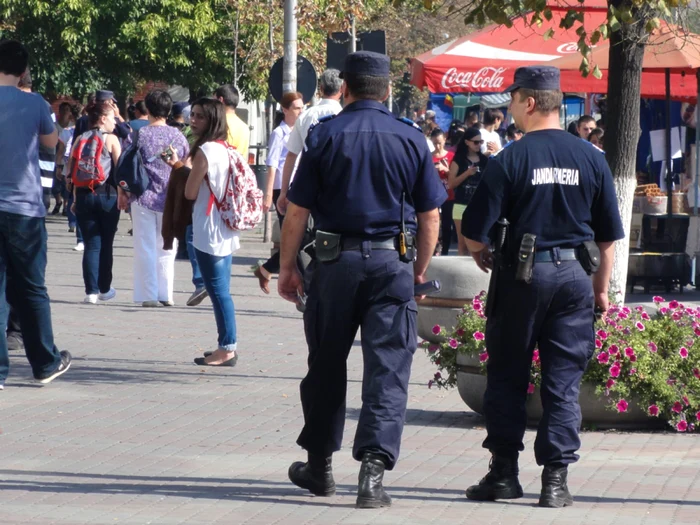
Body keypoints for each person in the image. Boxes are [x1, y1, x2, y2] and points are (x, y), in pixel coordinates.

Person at [278, 51, 445, 509]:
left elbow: (297, 209)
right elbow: (431, 215)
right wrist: (419, 271)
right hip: (393, 266)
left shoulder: (324, 135)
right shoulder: (411, 139)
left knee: (326, 364)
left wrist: (288, 265)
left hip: (334, 266)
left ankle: (320, 467)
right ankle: (372, 475)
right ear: (387, 91)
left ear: (344, 89)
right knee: (388, 370)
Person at [461, 66, 624, 508]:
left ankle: (503, 475)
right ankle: (555, 482)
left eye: (512, 99)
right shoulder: (591, 157)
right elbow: (608, 236)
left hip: (521, 278)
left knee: (508, 375)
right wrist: (601, 290)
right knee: (563, 382)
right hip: (575, 278)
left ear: (529, 103)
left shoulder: (510, 159)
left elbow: (474, 231)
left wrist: (479, 252)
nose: (510, 108)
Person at [0, 40, 72, 387]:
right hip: (24, 209)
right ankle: (44, 362)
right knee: (31, 288)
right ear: (24, 70)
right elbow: (50, 141)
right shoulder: (34, 103)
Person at [165, 99, 243, 366]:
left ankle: (228, 347)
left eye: (199, 117)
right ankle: (225, 344)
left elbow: (190, 192)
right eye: (193, 115)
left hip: (209, 227)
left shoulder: (206, 151)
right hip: (226, 224)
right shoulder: (225, 148)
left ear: (212, 121)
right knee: (222, 288)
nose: (193, 120)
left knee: (218, 290)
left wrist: (180, 170)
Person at [120, 89, 189, 307]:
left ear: (147, 110)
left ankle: (148, 294)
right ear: (168, 111)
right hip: (170, 199)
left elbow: (125, 165)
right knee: (168, 246)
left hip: (142, 197)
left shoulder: (138, 135)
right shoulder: (178, 136)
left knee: (145, 246)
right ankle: (165, 293)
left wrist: (123, 192)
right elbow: (185, 164)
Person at [68, 101, 123, 304]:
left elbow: (72, 172)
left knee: (91, 244)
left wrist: (74, 198)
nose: (114, 122)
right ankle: (105, 288)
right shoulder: (111, 140)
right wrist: (124, 194)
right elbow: (120, 170)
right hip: (107, 196)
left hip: (83, 195)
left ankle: (90, 292)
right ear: (102, 119)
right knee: (106, 244)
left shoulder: (80, 139)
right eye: (112, 118)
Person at [253, 91, 304, 293]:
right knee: (293, 237)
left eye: (302, 107)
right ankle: (281, 274)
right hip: (282, 189)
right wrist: (268, 194)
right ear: (285, 110)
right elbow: (272, 165)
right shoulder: (279, 133)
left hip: (297, 187)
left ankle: (267, 269)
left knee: (296, 238)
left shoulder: (300, 131)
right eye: (297, 108)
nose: (301, 111)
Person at [276, 69, 343, 218]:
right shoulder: (345, 116)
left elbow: (291, 155)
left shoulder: (306, 116)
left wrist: (284, 192)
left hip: (307, 187)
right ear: (342, 89)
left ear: (321, 89)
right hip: (338, 189)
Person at [447, 127, 488, 255]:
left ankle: (477, 271)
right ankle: (461, 272)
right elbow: (451, 184)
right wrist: (467, 173)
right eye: (475, 142)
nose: (478, 145)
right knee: (462, 243)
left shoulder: (484, 160)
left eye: (480, 142)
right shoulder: (459, 160)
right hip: (461, 205)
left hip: (478, 206)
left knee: (478, 243)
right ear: (467, 142)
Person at [431, 128, 455, 255]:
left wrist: (445, 169)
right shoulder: (429, 156)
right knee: (434, 223)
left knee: (446, 224)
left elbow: (456, 176)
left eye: (440, 142)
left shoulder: (451, 156)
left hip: (448, 195)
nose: (437, 146)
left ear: (445, 139)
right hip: (434, 195)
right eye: (435, 143)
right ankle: (434, 247)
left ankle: (445, 249)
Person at [214, 84, 249, 159]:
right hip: (237, 169)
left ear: (220, 100)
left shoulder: (217, 123)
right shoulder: (245, 127)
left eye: (214, 101)